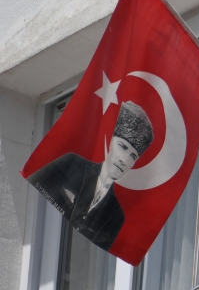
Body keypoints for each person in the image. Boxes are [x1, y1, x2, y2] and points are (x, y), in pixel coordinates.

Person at [27, 101, 154, 251]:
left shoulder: (117, 215)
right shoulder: (71, 164)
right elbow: (34, 182)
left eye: (133, 156)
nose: (125, 159)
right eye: (123, 146)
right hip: (37, 240)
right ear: (110, 141)